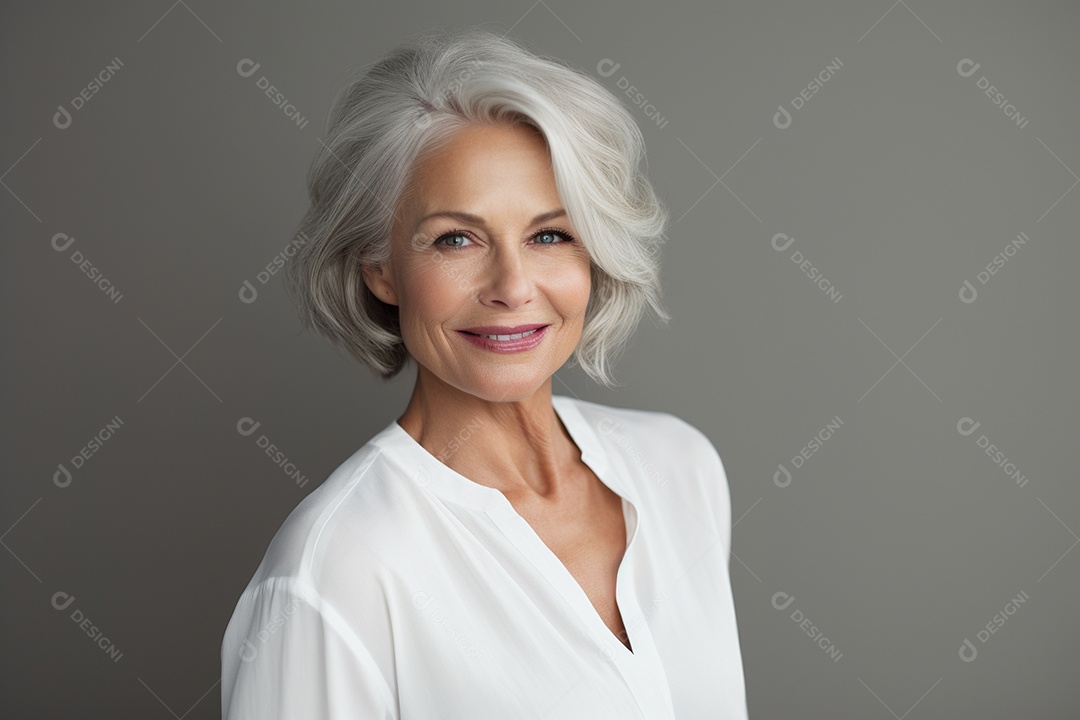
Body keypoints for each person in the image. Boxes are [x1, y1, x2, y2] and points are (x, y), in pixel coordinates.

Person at [220, 25, 749, 720]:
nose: (511, 285)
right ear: (380, 268)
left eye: (549, 234)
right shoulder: (337, 568)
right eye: (456, 239)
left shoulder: (681, 469)